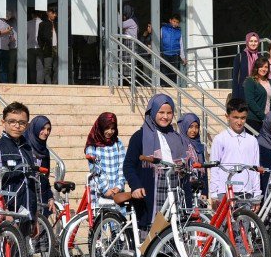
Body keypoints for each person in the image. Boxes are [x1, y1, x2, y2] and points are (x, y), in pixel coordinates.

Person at [123, 94, 190, 231]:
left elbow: (183, 168)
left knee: (173, 234)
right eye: (161, 112)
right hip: (149, 195)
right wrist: (135, 186)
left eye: (169, 113)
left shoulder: (177, 138)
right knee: (150, 240)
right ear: (152, 112)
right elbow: (128, 165)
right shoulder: (140, 137)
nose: (165, 117)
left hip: (173, 192)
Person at [0, 102, 36, 236]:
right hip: (8, 212)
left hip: (26, 212)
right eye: (12, 121)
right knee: (6, 254)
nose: (17, 126)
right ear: (4, 123)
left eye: (22, 122)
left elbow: (31, 181)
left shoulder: (27, 149)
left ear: (27, 125)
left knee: (23, 255)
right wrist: (2, 210)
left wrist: (34, 215)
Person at [208, 98, 261, 205]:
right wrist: (213, 193)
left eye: (243, 118)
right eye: (235, 117)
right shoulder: (219, 139)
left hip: (247, 192)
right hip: (225, 191)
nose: (239, 122)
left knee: (244, 222)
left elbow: (255, 168)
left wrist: (257, 194)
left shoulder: (253, 140)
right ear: (227, 117)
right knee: (225, 222)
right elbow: (214, 167)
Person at [84, 112, 126, 199]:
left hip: (116, 194)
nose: (110, 132)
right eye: (106, 128)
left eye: (113, 128)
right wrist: (105, 189)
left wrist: (119, 186)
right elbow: (95, 169)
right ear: (100, 127)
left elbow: (122, 166)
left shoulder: (118, 144)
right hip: (98, 193)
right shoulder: (93, 145)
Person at [23, 115, 55, 216]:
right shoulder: (24, 147)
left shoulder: (44, 151)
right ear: (35, 128)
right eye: (43, 128)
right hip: (25, 197)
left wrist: (50, 197)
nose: (46, 132)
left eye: (48, 129)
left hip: (40, 198)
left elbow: (44, 178)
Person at [176, 113, 207, 207]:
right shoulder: (178, 144)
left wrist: (205, 192)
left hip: (198, 189)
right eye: (190, 127)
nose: (194, 130)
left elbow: (204, 170)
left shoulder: (199, 147)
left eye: (196, 127)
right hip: (184, 189)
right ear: (184, 127)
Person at [244, 57, 271, 134]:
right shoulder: (250, 81)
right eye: (261, 66)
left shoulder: (270, 82)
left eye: (266, 67)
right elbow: (250, 101)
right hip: (253, 120)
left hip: (268, 121)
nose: (263, 69)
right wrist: (263, 116)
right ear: (257, 68)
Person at [231, 32, 261, 100]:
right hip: (242, 93)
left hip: (257, 93)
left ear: (258, 42)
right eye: (251, 41)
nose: (253, 43)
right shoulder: (240, 57)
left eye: (255, 41)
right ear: (247, 41)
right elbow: (235, 78)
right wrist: (235, 97)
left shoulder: (261, 57)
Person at [160, 14, 185, 83]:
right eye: (174, 21)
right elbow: (159, 41)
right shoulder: (163, 29)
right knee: (164, 72)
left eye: (177, 22)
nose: (175, 23)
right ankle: (164, 87)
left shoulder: (179, 31)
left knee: (173, 73)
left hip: (175, 54)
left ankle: (172, 88)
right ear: (170, 21)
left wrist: (182, 57)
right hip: (164, 53)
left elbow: (181, 44)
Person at [37, 6, 57, 84]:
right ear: (48, 13)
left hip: (57, 47)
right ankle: (48, 84)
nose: (55, 15)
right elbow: (39, 37)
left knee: (57, 68)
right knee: (47, 68)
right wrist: (43, 47)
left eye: (55, 13)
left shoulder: (57, 24)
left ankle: (55, 84)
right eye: (53, 13)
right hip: (48, 48)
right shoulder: (43, 24)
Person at [26, 10, 42, 83]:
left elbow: (25, 35)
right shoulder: (42, 23)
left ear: (32, 15)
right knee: (40, 67)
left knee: (32, 68)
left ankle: (33, 83)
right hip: (40, 47)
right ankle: (39, 83)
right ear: (40, 15)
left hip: (30, 47)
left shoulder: (27, 23)